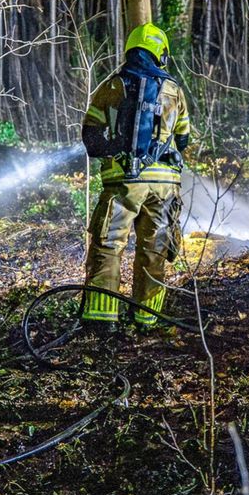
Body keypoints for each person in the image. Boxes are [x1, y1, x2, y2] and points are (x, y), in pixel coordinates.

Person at [80, 23, 191, 331]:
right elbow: (183, 140)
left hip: (122, 183)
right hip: (164, 187)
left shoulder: (113, 85)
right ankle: (146, 319)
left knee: (109, 245)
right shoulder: (174, 91)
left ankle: (101, 321)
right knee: (155, 247)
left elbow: (90, 135)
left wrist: (115, 148)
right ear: (160, 54)